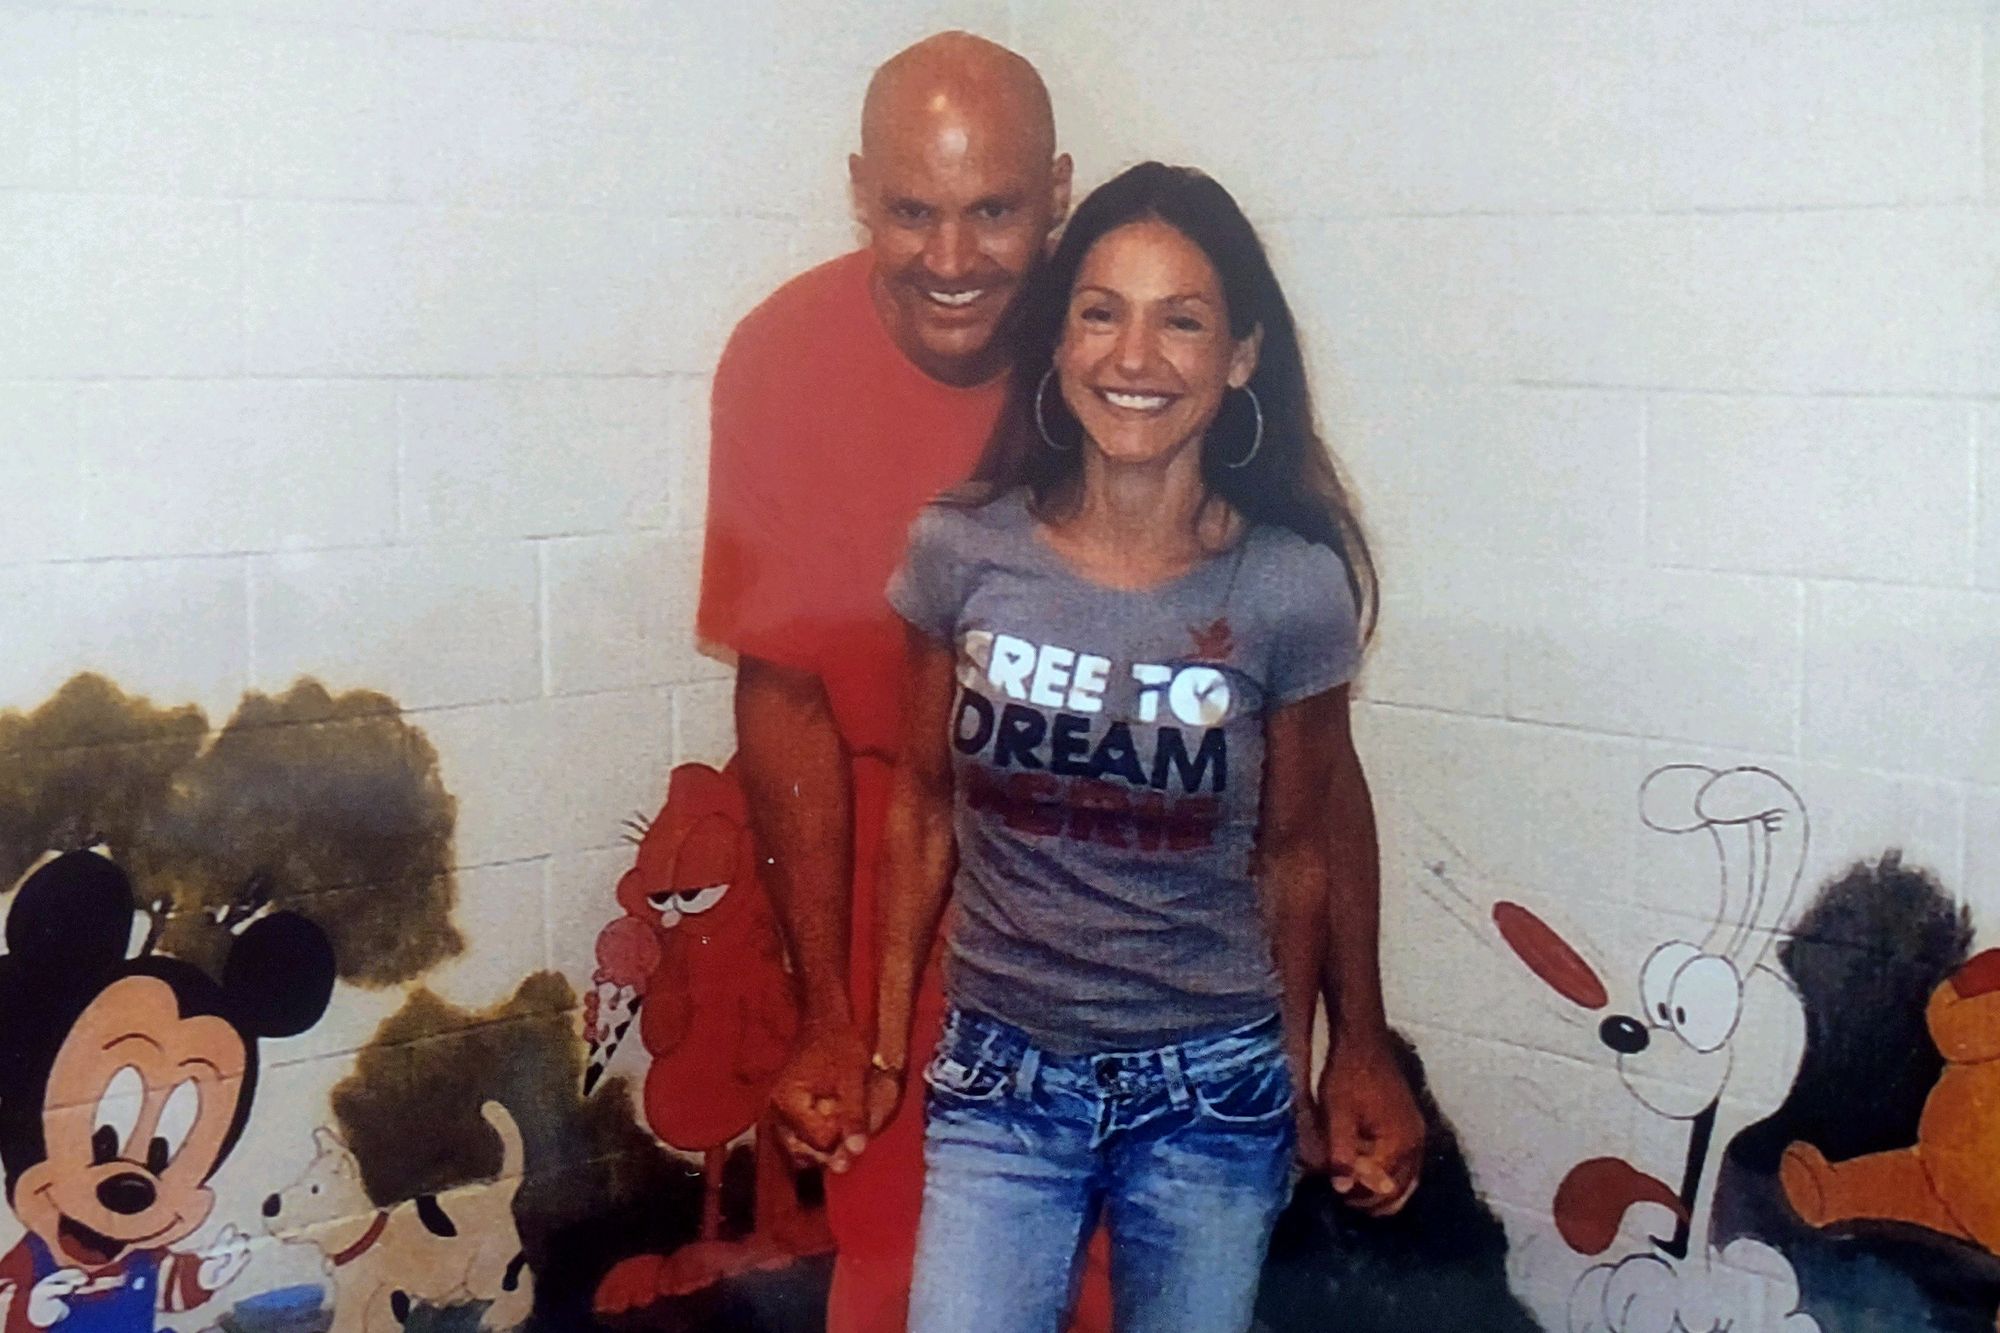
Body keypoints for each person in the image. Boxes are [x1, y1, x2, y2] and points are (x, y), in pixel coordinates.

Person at [866, 162, 1425, 1332]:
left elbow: (1298, 852)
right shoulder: (959, 551)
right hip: (999, 1083)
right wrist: (876, 1047)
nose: (1133, 357)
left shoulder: (1288, 587)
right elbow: (921, 807)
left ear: (1238, 356)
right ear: (1058, 343)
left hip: (1211, 1095)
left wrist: (1324, 1063)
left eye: (1181, 320)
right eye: (1099, 311)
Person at [692, 30, 1078, 1333]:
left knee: (1106, 1264)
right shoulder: (777, 359)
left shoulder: (1120, 354)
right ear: (861, 191)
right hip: (875, 866)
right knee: (903, 1257)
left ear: (1059, 194)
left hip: (1100, 878)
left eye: (994, 212)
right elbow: (785, 690)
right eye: (914, 212)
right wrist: (832, 1013)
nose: (953, 260)